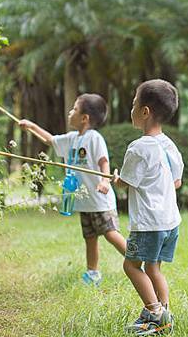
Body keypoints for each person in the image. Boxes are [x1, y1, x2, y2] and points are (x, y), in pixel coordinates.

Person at [19, 94, 126, 286]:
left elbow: (103, 161)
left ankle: (136, 259)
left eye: (74, 109)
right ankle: (93, 273)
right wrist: (31, 127)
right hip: (84, 201)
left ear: (84, 118)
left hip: (99, 200)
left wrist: (104, 181)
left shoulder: (94, 138)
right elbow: (50, 140)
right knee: (90, 237)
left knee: (110, 233)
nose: (70, 112)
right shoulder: (71, 139)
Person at [112, 79, 184, 337]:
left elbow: (126, 184)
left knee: (131, 266)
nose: (131, 108)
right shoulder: (169, 145)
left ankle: (155, 313)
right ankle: (164, 314)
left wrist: (116, 179)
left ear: (144, 112)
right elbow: (176, 182)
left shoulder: (138, 147)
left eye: (134, 103)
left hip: (149, 223)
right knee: (153, 268)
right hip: (170, 222)